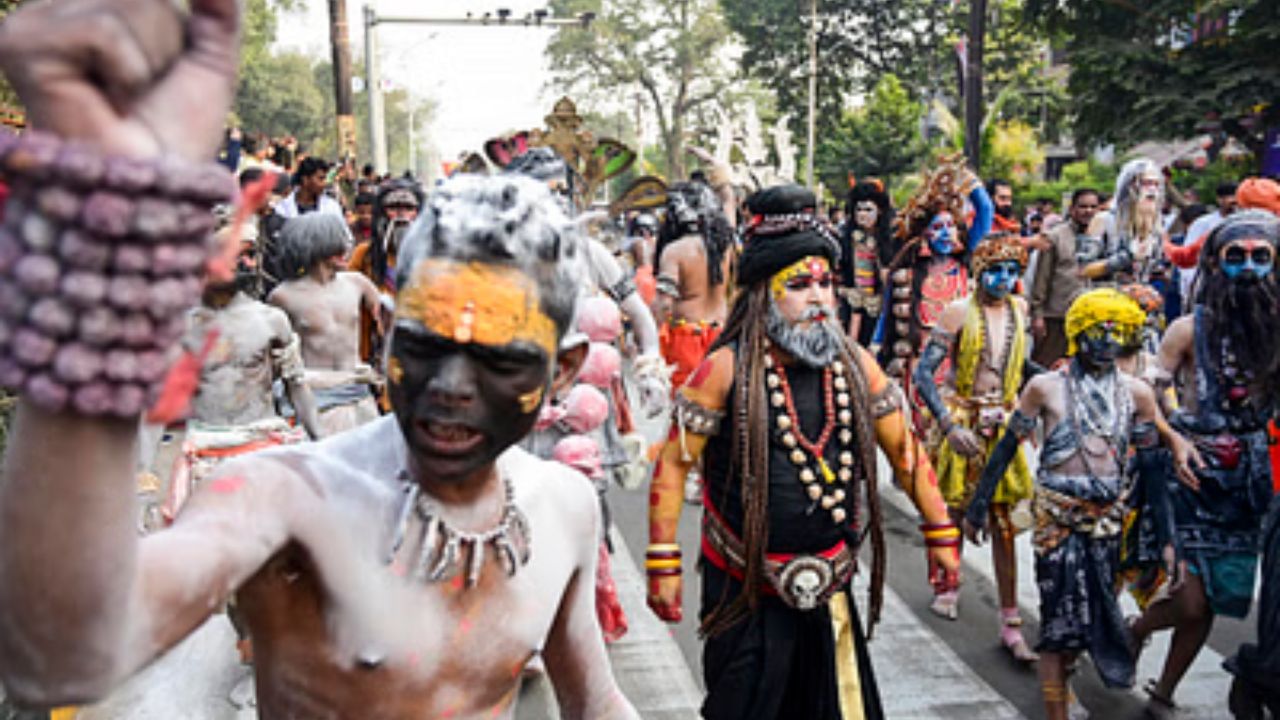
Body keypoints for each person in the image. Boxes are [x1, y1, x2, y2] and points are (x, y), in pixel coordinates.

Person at [0, 5, 640, 708]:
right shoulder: (284, 498)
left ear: (567, 369)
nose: (452, 387)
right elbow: (57, 658)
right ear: (391, 330)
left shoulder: (564, 506)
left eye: (497, 360)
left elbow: (597, 702)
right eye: (426, 344)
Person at [646, 185, 961, 720]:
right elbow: (674, 465)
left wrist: (940, 531)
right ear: (763, 293)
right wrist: (662, 561)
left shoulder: (856, 363)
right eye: (799, 285)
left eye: (826, 283)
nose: (819, 298)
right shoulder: (724, 369)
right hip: (743, 591)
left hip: (829, 588)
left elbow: (905, 451)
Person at [964, 289, 1200, 720]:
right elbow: (1005, 448)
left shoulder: (1137, 395)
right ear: (1077, 333)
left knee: (1091, 618)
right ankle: (1056, 709)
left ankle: (1070, 681)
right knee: (1058, 624)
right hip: (1057, 522)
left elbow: (1151, 469)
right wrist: (979, 504)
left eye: (1117, 333)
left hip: (1107, 526)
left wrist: (1169, 539)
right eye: (1097, 331)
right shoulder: (1044, 388)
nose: (1106, 342)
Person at [1132, 211, 1280, 719]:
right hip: (1191, 475)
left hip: (1250, 485)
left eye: (1262, 257)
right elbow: (1147, 393)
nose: (1248, 268)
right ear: (1216, 263)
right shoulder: (1187, 328)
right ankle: (1134, 632)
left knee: (1218, 599)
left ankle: (1163, 691)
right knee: (1190, 599)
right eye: (1236, 257)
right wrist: (1174, 437)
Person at [910, 233, 1036, 657]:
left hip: (1003, 424)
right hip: (961, 420)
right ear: (979, 272)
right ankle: (947, 585)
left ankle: (1010, 617)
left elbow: (1016, 365)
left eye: (1012, 271)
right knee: (955, 511)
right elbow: (924, 375)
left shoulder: (1020, 310)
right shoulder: (957, 312)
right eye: (995, 270)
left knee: (1004, 525)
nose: (1003, 279)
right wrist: (947, 426)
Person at [880, 156, 992, 426]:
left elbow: (985, 210)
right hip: (918, 366)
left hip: (958, 366)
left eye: (950, 226)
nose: (945, 233)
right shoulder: (906, 273)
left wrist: (967, 179)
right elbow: (886, 319)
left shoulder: (964, 264)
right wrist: (875, 353)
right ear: (924, 235)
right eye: (937, 228)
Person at [268, 213, 383, 434]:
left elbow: (388, 327)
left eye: (345, 243)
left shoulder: (357, 283)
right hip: (315, 399)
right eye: (336, 246)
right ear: (314, 247)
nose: (345, 251)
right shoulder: (284, 296)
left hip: (359, 394)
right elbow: (274, 355)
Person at [652, 179, 735, 392]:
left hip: (686, 341)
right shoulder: (724, 247)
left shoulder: (674, 251)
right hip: (721, 334)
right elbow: (730, 205)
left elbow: (664, 304)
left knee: (686, 411)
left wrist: (650, 344)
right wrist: (721, 177)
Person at [1030, 188, 1100, 366]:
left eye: (1093, 207)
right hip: (1056, 316)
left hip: (1088, 319)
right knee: (1045, 368)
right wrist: (1038, 315)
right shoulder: (1055, 237)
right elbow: (1041, 278)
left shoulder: (1100, 238)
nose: (1088, 211)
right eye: (1083, 206)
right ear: (1072, 209)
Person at [1084, 158, 1168, 285]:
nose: (1153, 190)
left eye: (1157, 184)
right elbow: (1085, 269)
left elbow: (1151, 270)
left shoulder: (1155, 226)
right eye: (1147, 183)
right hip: (1105, 300)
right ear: (1130, 186)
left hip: (1140, 301)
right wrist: (1126, 256)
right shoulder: (1104, 220)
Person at [838, 180, 894, 346]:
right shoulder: (846, 239)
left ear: (880, 211)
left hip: (879, 306)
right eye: (859, 209)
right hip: (851, 302)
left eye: (868, 209)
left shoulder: (889, 240)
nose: (862, 214)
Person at [273, 156, 344, 220]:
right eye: (320, 179)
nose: (324, 184)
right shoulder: (282, 209)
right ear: (305, 180)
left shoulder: (331, 207)